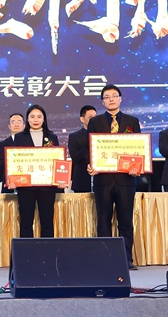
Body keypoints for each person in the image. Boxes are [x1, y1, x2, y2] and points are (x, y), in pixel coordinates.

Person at [87, 84, 140, 271]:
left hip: (126, 180)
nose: (111, 99)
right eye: (107, 97)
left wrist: (136, 167)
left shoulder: (132, 121)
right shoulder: (96, 121)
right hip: (103, 179)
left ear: (120, 98)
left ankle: (126, 259)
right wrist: (92, 165)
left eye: (114, 96)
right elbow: (90, 147)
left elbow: (138, 147)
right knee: (103, 221)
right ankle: (105, 259)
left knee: (125, 221)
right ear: (102, 101)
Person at [7, 105, 60, 238]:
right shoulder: (19, 137)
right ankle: (27, 251)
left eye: (39, 117)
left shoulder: (52, 137)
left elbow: (58, 161)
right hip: (26, 187)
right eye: (32, 117)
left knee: (47, 222)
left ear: (44, 119)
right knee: (26, 223)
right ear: (28, 119)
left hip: (47, 187)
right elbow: (14, 161)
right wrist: (12, 180)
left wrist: (60, 179)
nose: (36, 120)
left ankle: (47, 250)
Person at [67, 105, 97, 193]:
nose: (94, 120)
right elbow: (75, 157)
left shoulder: (102, 135)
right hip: (81, 180)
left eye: (95, 117)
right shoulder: (74, 136)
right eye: (90, 117)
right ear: (82, 119)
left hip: (101, 181)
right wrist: (90, 144)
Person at [0, 113, 25, 193]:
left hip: (26, 181)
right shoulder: (3, 143)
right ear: (9, 126)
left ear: (24, 125)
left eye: (19, 122)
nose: (16, 124)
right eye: (13, 122)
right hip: (8, 180)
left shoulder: (29, 143)